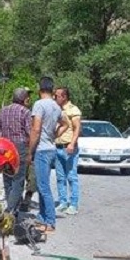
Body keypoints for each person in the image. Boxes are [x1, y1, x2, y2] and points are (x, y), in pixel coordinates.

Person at [27, 77, 69, 234]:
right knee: (42, 185)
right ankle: (43, 219)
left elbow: (36, 129)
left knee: (43, 187)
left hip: (42, 150)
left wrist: (30, 151)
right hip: (51, 148)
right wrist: (54, 135)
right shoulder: (56, 106)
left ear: (40, 89)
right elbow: (66, 124)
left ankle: (50, 221)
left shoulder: (39, 105)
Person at [0, 87, 32, 215]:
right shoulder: (25, 112)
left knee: (7, 178)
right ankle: (10, 210)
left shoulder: (3, 111)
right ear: (24, 99)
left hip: (5, 147)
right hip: (20, 147)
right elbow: (30, 132)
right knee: (18, 180)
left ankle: (11, 207)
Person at [53, 87, 82, 215]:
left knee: (71, 176)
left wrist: (72, 143)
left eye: (57, 96)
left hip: (68, 148)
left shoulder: (73, 110)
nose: (55, 98)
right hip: (58, 146)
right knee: (60, 177)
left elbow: (77, 128)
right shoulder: (56, 109)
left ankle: (74, 204)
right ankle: (63, 202)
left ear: (64, 97)